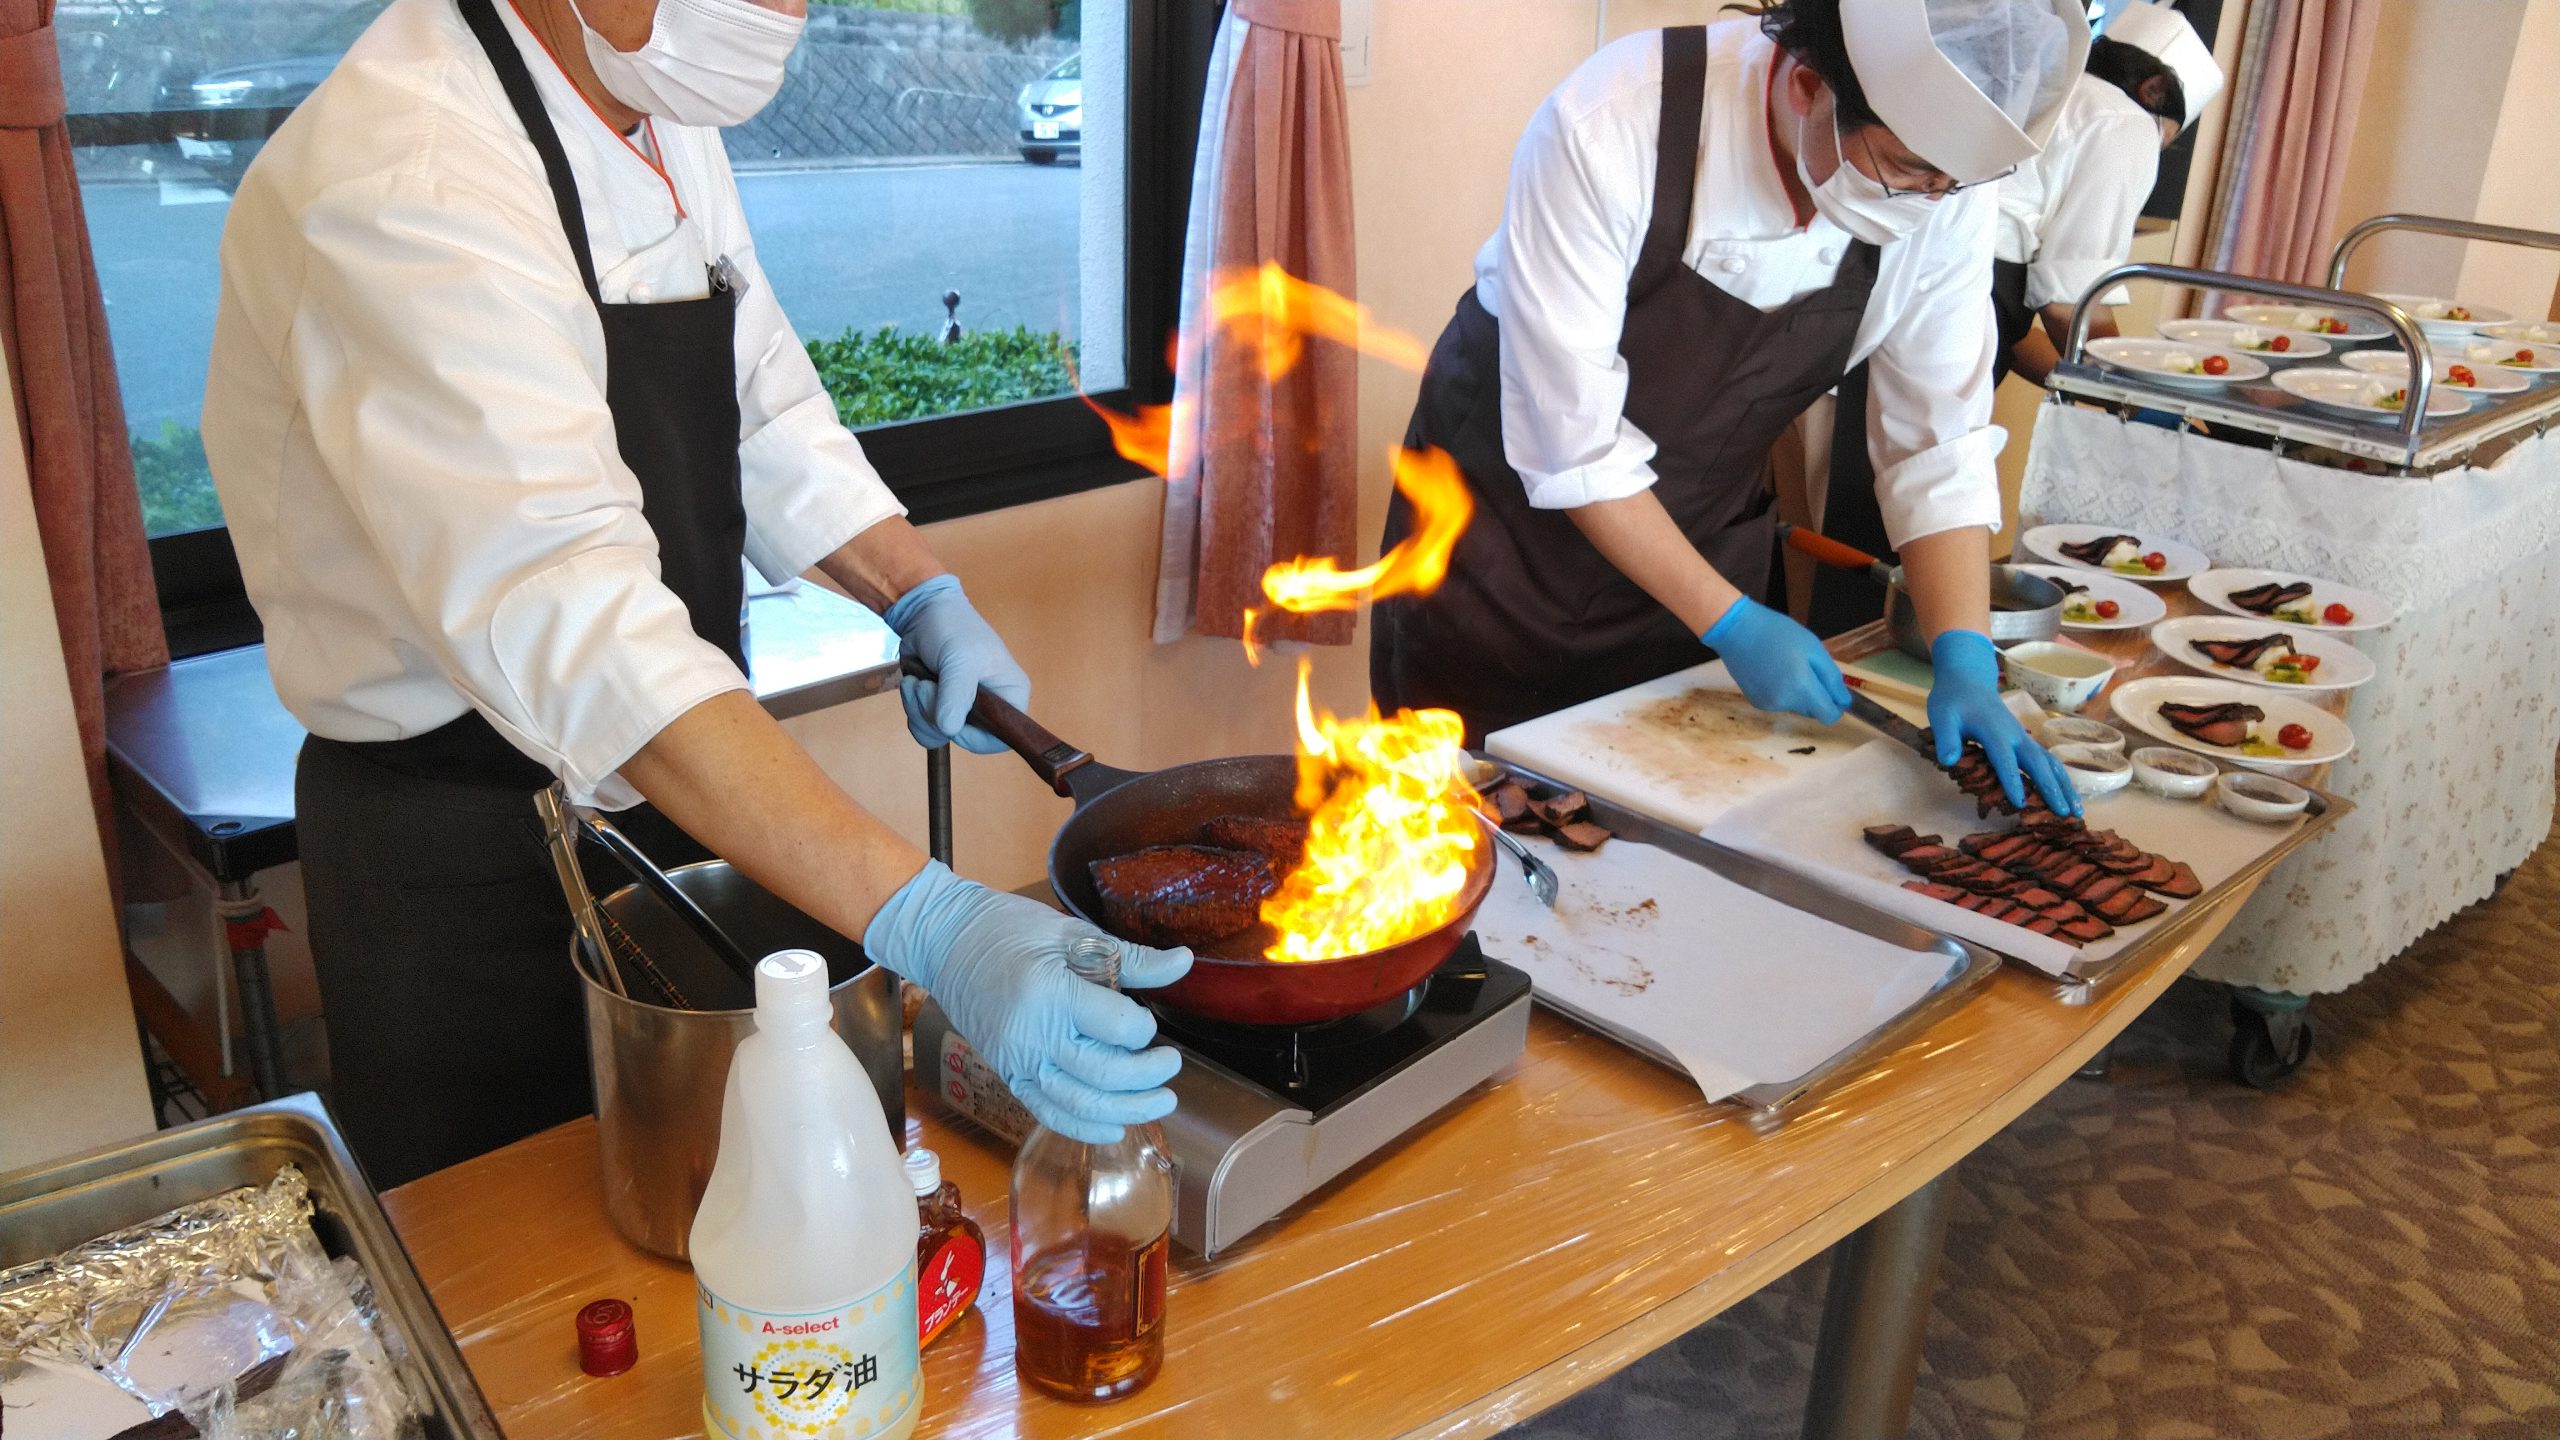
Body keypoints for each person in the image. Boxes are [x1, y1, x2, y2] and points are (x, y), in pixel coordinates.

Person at [204, 0, 1187, 1188]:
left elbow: (760, 396)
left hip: (680, 791)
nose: (776, 13)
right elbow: (574, 615)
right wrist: (936, 920)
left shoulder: (644, 104)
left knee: (748, 1212)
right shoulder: (403, 177)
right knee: (525, 1268)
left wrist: (914, 587)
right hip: (462, 858)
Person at [1371, 0, 2087, 815]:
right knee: (1472, 839)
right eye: (1904, 170)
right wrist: (1734, 623)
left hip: (1699, 543)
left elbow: (1940, 442)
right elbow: (1569, 443)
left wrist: (1964, 651)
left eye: (1951, 185)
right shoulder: (1617, 119)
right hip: (1502, 552)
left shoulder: (1941, 187)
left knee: (1666, 824)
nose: (1927, 202)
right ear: (1809, 87)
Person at [1992, 1, 2225, 385]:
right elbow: (2069, 303)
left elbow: (2009, 338)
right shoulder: (2129, 122)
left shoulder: (2054, 86)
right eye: (2162, 141)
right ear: (2152, 90)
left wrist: (2100, 390)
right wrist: (2137, 389)